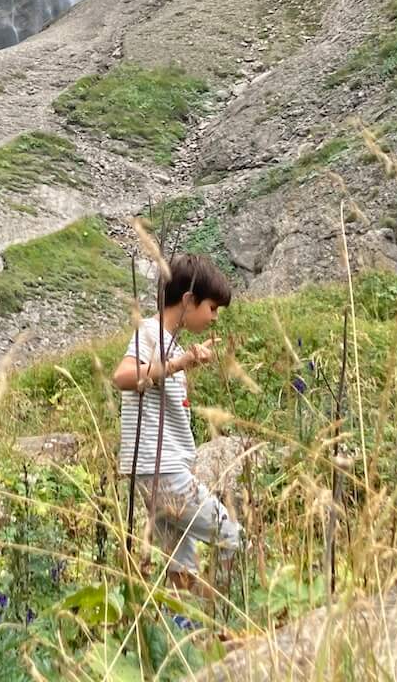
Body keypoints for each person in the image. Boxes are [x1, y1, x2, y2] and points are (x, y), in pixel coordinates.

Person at [112, 252, 241, 596]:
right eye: (212, 308)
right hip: (162, 471)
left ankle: (188, 636)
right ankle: (224, 616)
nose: (214, 318)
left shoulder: (166, 341)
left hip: (154, 471)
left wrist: (181, 361)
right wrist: (176, 364)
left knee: (181, 567)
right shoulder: (151, 333)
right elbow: (122, 376)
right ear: (188, 300)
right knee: (230, 534)